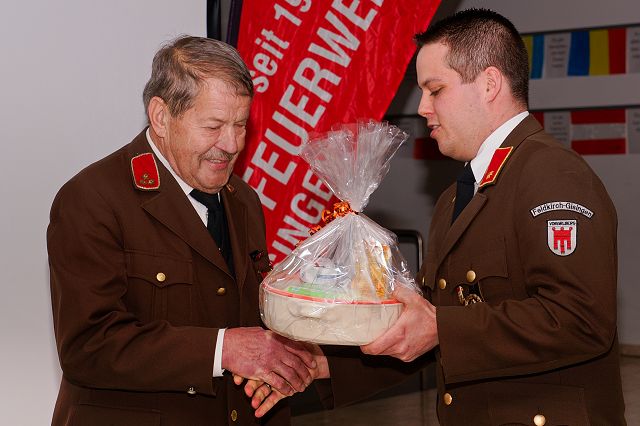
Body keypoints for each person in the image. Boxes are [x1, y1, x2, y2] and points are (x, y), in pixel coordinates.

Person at [362, 8, 626, 425]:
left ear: (489, 84)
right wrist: (324, 367)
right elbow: (439, 330)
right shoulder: (457, 195)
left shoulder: (551, 173)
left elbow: (580, 319)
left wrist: (441, 327)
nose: (422, 108)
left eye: (435, 90)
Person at [47, 36, 319, 426]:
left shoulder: (243, 200)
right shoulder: (93, 199)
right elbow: (87, 347)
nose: (231, 144)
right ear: (161, 117)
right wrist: (223, 349)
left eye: (240, 125)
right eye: (214, 126)